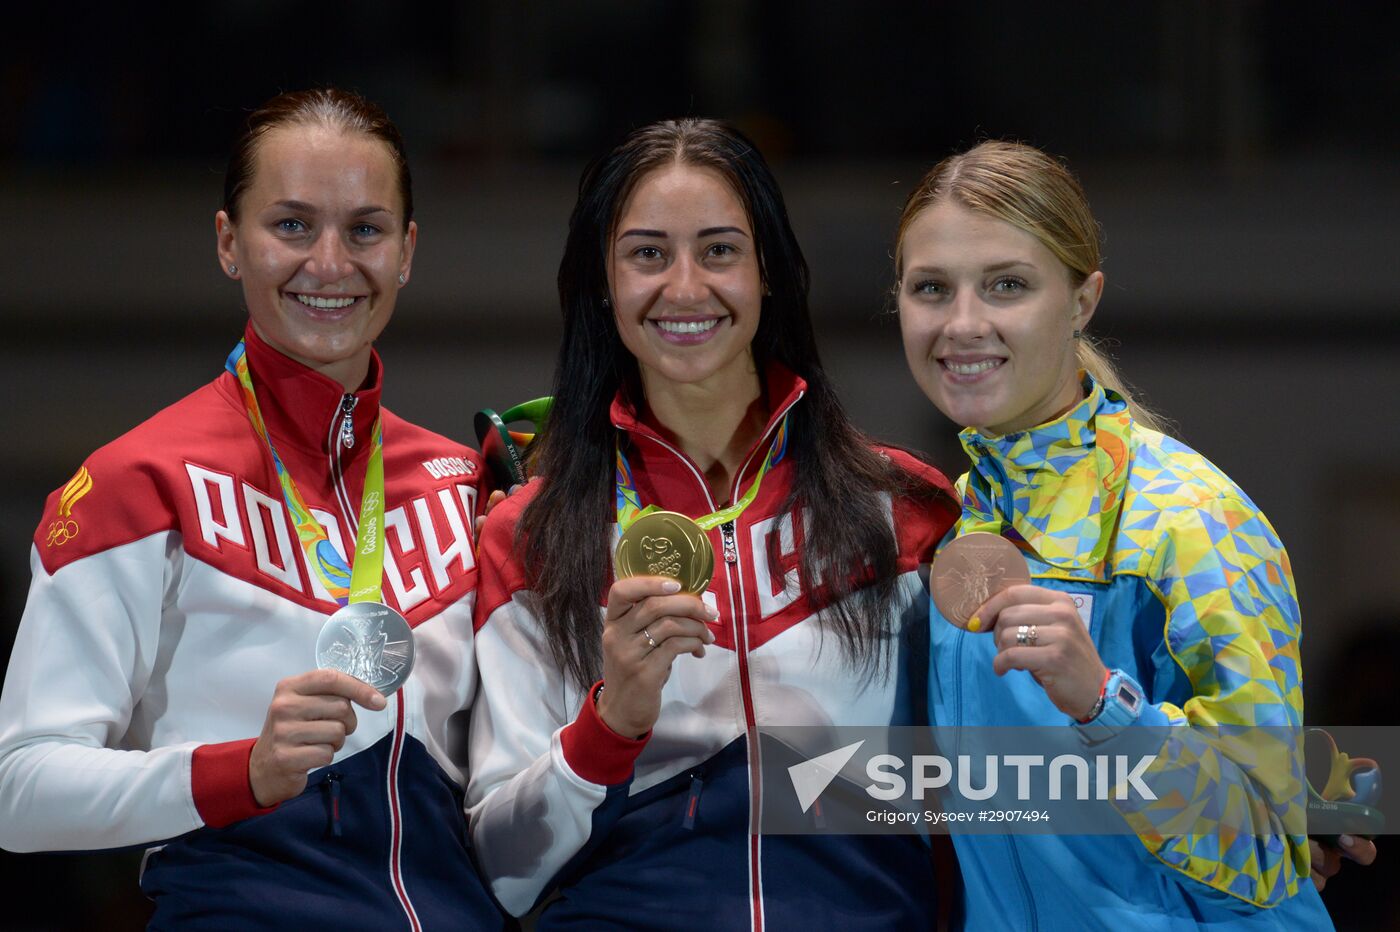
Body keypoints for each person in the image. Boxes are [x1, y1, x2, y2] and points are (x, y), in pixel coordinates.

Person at [0, 89, 504, 930]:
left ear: (408, 252)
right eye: (293, 226)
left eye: (367, 230)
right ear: (230, 243)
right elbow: (21, 789)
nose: (332, 263)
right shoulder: (139, 481)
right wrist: (245, 771)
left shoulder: (467, 487)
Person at [467, 118, 958, 929]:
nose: (686, 287)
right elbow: (501, 870)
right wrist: (611, 721)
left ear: (770, 273)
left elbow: (989, 797)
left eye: (721, 250)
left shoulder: (904, 509)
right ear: (602, 281)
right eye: (648, 253)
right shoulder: (534, 537)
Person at [894, 140, 1361, 929]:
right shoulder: (949, 522)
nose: (963, 323)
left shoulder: (1190, 518)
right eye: (931, 288)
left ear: (1082, 302)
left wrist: (1108, 709)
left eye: (1007, 285)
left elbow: (1268, 855)